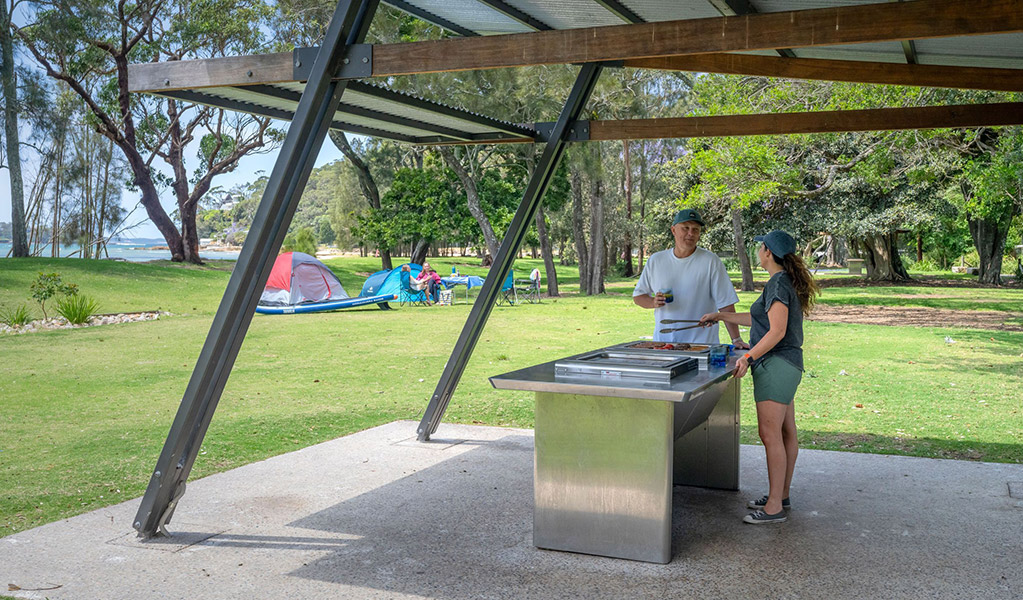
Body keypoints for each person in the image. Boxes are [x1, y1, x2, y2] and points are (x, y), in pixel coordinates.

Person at [699, 229, 820, 525]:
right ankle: (781, 495)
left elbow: (776, 331)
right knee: (785, 432)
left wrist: (748, 356)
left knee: (770, 435)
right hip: (787, 365)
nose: (758, 252)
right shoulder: (781, 282)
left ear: (767, 251)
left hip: (776, 364)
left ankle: (774, 507)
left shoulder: (778, 282)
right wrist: (721, 316)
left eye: (760, 248)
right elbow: (761, 320)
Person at [633, 208, 748, 348]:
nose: (690, 233)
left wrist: (736, 339)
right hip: (664, 345)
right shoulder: (656, 260)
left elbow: (726, 304)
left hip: (702, 346)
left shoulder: (711, 261)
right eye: (685, 228)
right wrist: (653, 302)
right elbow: (638, 296)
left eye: (695, 229)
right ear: (673, 230)